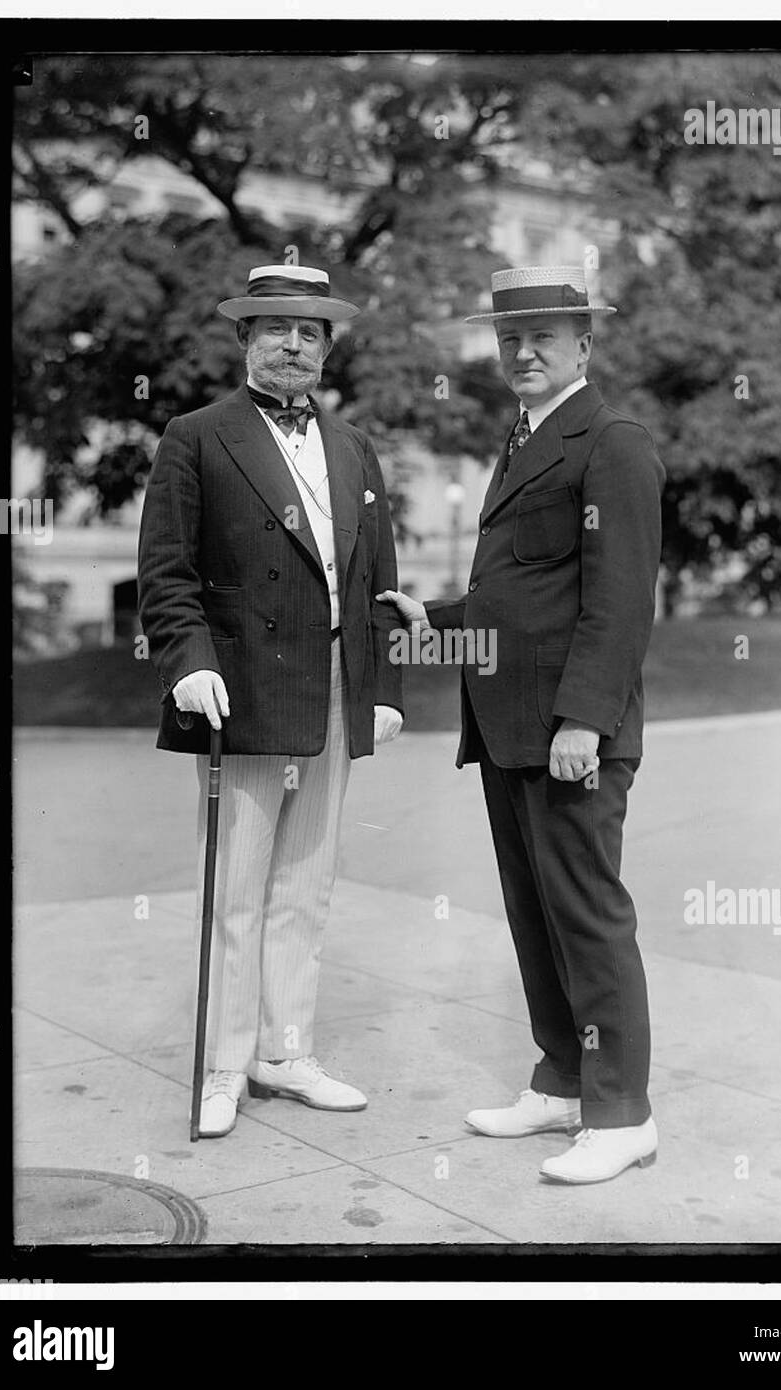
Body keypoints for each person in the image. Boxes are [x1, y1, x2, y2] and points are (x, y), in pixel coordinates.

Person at [379, 265, 665, 1184]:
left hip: (568, 731)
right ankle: (562, 1079)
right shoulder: (522, 439)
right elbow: (522, 592)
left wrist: (583, 721)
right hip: (509, 724)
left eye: (544, 334)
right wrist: (440, 617)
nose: (524, 351)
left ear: (583, 344)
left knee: (585, 914)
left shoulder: (610, 440)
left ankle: (622, 1114)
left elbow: (618, 603)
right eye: (510, 338)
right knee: (533, 913)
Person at [138, 262, 404, 1137]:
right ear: (245, 339)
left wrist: (383, 689)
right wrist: (186, 661)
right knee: (238, 887)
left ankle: (284, 1053)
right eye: (275, 329)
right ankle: (224, 1066)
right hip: (239, 687)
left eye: (310, 331)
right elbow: (167, 568)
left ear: (327, 347)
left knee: (308, 884)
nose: (293, 345)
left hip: (333, 681)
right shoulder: (197, 435)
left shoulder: (354, 447)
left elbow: (377, 581)